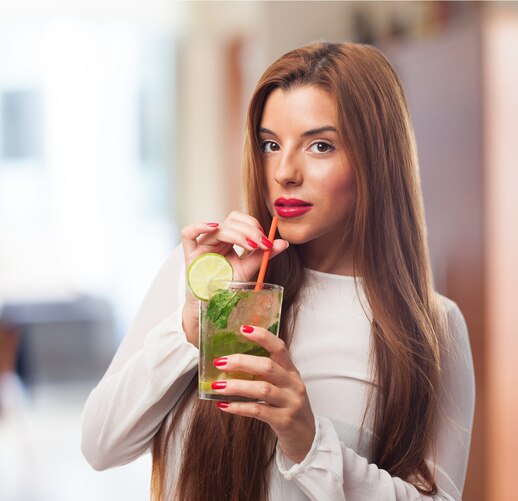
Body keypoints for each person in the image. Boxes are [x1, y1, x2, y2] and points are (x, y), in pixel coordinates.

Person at [81, 41, 475, 500]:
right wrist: (192, 326)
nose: (284, 171)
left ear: (377, 159)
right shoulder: (204, 276)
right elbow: (100, 446)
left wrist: (309, 443)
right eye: (271, 144)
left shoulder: (433, 327)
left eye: (320, 146)